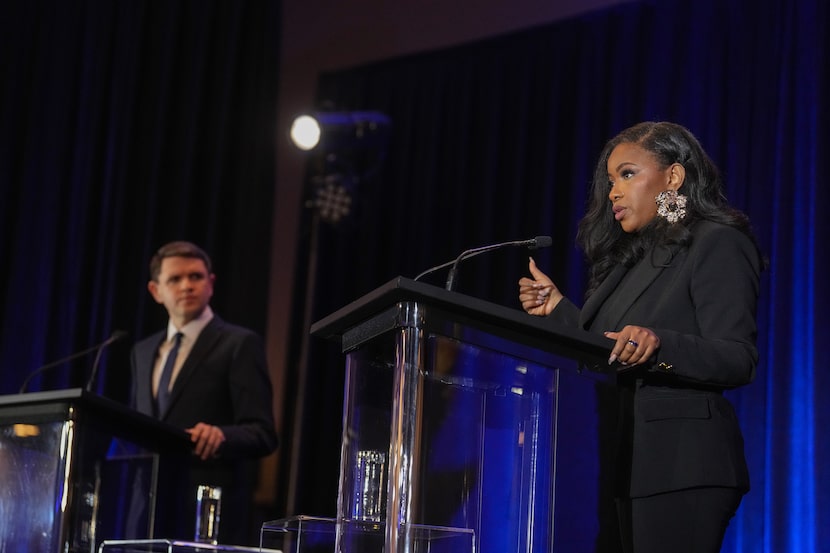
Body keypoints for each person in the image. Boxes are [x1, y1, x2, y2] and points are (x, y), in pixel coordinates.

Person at [518, 122, 764, 553]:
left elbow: (736, 357)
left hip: (680, 466)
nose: (613, 191)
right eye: (611, 180)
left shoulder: (717, 242)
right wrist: (557, 309)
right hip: (616, 466)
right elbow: (605, 351)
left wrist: (659, 345)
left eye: (627, 174)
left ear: (673, 177)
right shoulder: (626, 263)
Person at [130, 240, 278, 545]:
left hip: (206, 512)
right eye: (175, 279)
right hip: (147, 514)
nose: (187, 286)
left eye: (195, 277)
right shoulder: (142, 352)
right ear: (156, 291)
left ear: (210, 284)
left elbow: (263, 432)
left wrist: (222, 436)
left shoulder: (239, 344)